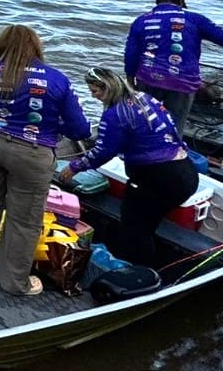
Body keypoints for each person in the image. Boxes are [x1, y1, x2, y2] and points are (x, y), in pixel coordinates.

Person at [0, 24, 91, 297]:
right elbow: (81, 131)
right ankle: (14, 282)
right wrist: (54, 125)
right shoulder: (57, 80)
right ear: (37, 47)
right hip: (33, 153)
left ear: (1, 46)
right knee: (24, 219)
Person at [59, 67, 199, 267]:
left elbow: (103, 151)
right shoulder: (144, 98)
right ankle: (146, 264)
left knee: (135, 228)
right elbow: (172, 126)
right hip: (185, 171)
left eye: (95, 91)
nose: (93, 96)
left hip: (158, 179)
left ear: (107, 88)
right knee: (147, 223)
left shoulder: (114, 115)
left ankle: (134, 270)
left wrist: (75, 167)